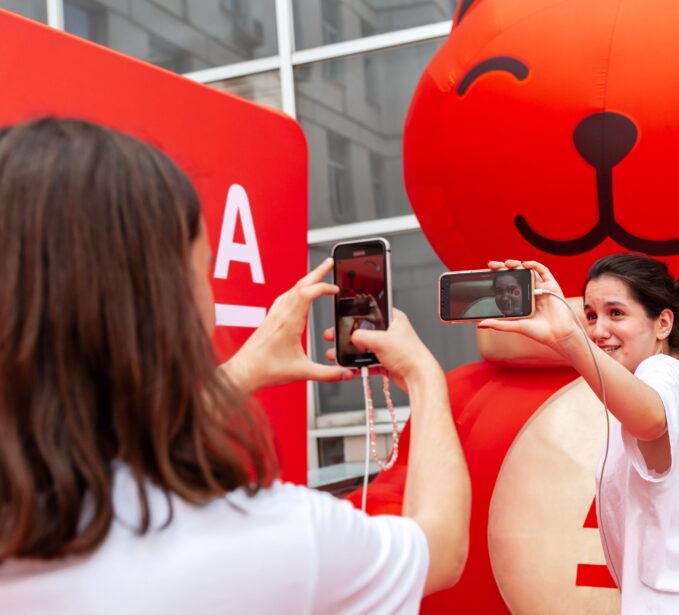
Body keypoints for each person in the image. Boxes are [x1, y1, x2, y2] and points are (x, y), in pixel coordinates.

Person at [0, 117, 470, 614]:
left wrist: (243, 371)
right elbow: (439, 548)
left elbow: (107, 441)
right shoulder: (271, 539)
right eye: (201, 271)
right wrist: (424, 377)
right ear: (161, 303)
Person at [478, 255, 679, 614]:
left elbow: (650, 419)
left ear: (663, 323)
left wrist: (570, 339)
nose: (598, 330)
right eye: (590, 316)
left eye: (616, 313)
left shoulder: (663, 371)